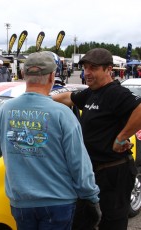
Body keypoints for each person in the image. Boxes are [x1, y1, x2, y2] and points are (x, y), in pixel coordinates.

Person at [0, 51, 101, 230]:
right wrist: (91, 197)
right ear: (52, 76)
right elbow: (79, 163)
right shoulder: (62, 113)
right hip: (59, 202)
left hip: (21, 203)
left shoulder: (6, 110)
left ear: (23, 75)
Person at [52, 48, 141, 230]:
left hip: (114, 173)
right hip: (91, 173)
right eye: (85, 68)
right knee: (83, 221)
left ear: (109, 69)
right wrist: (44, 100)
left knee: (113, 222)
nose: (87, 73)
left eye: (93, 68)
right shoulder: (91, 92)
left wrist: (121, 137)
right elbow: (69, 97)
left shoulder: (115, 93)